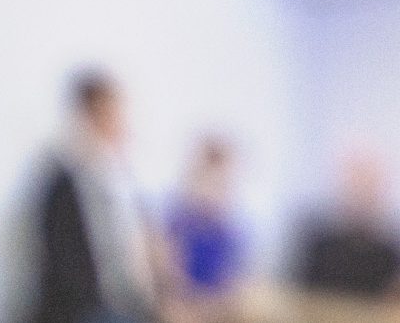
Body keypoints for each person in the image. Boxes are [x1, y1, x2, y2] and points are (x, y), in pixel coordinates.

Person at [21, 73, 158, 323]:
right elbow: (65, 275)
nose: (119, 126)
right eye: (109, 116)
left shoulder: (125, 186)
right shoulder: (62, 185)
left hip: (130, 306)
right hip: (85, 310)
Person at [295, 152, 400, 298]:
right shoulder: (319, 243)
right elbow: (302, 295)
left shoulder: (395, 252)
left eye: (370, 183)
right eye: (357, 180)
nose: (362, 190)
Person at [164, 136, 248, 321]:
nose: (216, 191)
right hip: (183, 305)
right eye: (209, 181)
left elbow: (231, 284)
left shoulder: (228, 233)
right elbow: (172, 278)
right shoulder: (179, 225)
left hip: (216, 307)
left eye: (223, 184)